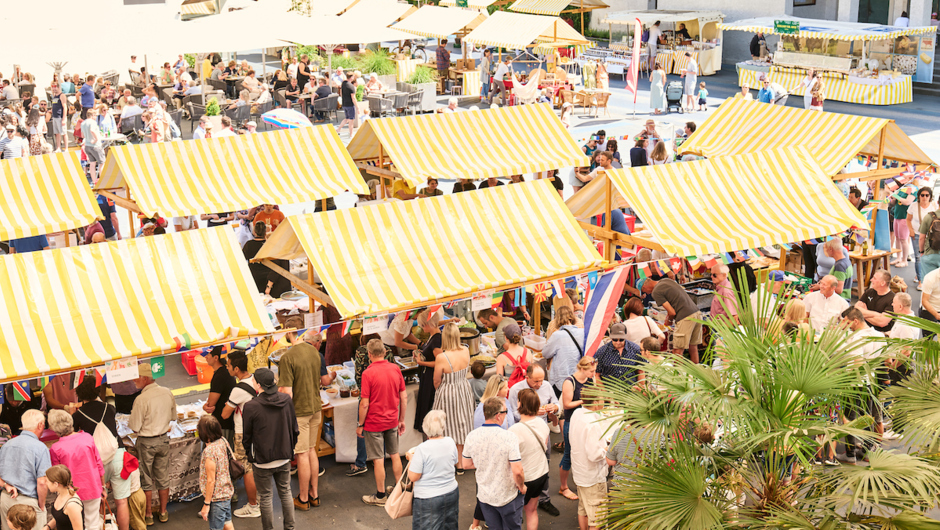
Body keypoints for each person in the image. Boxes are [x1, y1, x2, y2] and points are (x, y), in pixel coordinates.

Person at [277, 331, 335, 511]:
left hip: (299, 411)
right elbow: (323, 380)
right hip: (315, 408)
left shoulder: (288, 357)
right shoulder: (315, 354)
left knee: (301, 454)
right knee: (311, 451)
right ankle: (314, 494)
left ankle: (302, 498)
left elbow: (286, 393)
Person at [71, 378, 132, 530]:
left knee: (98, 500)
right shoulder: (109, 407)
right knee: (122, 501)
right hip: (118, 455)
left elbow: (73, 435)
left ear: (80, 394)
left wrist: (73, 412)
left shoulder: (78, 415)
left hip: (96, 462)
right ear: (97, 391)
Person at [242, 368, 298, 530]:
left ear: (259, 385)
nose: (252, 381)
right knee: (286, 492)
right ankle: (290, 527)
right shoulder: (286, 400)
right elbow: (294, 428)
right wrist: (290, 449)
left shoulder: (251, 406)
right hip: (284, 455)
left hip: (262, 459)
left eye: (253, 380)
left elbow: (247, 436)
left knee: (265, 497)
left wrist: (250, 455)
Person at [462, 397, 526, 530]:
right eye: (505, 412)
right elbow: (518, 470)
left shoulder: (471, 436)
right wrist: (522, 486)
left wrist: (484, 462)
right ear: (498, 416)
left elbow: (466, 464)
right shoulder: (509, 437)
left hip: (485, 496)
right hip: (507, 495)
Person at [358, 339, 407, 506]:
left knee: (378, 459)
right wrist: (401, 419)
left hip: (374, 423)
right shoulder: (395, 368)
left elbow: (364, 403)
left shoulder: (367, 373)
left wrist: (360, 424)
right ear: (385, 352)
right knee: (395, 454)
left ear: (370, 355)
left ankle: (380, 496)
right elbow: (404, 397)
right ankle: (400, 489)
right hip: (392, 420)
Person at [506, 365, 560, 516]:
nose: (539, 384)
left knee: (544, 464)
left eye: (541, 380)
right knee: (522, 466)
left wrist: (554, 408)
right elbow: (513, 413)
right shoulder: (516, 389)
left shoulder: (547, 386)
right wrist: (532, 412)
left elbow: (557, 403)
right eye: (536, 381)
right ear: (527, 377)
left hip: (542, 429)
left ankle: (544, 499)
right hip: (523, 431)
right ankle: (520, 502)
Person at [128, 363, 177, 525]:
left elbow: (134, 426)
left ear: (144, 378)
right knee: (163, 478)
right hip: (163, 439)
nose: (135, 380)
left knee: (146, 479)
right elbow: (173, 416)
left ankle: (148, 514)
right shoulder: (167, 392)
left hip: (146, 442)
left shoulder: (141, 399)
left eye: (137, 377)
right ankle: (163, 512)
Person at [431, 323, 475, 474]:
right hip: (463, 387)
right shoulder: (466, 350)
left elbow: (436, 381)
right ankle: (461, 462)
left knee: (448, 426)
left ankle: (450, 461)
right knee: (462, 424)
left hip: (448, 391)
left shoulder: (441, 357)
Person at [221, 351, 260, 518]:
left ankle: (253, 505)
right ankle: (259, 501)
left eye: (229, 366)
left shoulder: (238, 389)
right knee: (256, 467)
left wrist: (227, 405)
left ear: (236, 368)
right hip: (257, 430)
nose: (227, 368)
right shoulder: (255, 380)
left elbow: (224, 414)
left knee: (246, 469)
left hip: (242, 433)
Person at [406, 410, 459, 530]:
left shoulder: (422, 449)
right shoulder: (450, 442)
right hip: (451, 492)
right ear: (442, 427)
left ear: (425, 429)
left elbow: (414, 477)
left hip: (428, 497)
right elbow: (455, 462)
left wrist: (411, 460)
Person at [0, 409, 49, 530]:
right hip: (29, 504)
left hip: (6, 498)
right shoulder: (40, 448)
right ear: (40, 425)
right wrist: (41, 505)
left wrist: (6, 485)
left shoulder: (7, 445)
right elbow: (42, 482)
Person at [508, 389, 549, 530]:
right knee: (532, 510)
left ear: (520, 404)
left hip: (526, 478)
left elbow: (510, 459)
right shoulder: (542, 424)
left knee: (516, 514)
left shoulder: (514, 430)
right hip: (541, 473)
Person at [568, 395, 609, 530]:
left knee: (583, 509)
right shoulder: (592, 424)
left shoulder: (577, 413)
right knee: (597, 518)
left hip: (580, 472)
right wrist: (607, 449)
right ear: (596, 401)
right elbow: (594, 454)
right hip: (593, 477)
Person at [640, 277, 703, 363]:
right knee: (693, 347)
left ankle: (675, 376)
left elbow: (672, 312)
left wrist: (669, 321)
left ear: (644, 287)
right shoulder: (665, 280)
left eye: (644, 291)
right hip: (697, 313)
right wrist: (669, 316)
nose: (647, 293)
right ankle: (697, 375)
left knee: (678, 351)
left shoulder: (655, 292)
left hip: (685, 317)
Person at [559, 357, 596, 501]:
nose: (594, 373)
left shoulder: (589, 379)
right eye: (591, 371)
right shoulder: (570, 382)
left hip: (585, 419)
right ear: (583, 369)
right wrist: (585, 399)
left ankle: (580, 482)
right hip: (571, 422)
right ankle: (563, 487)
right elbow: (567, 404)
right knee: (569, 453)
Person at [197, 416, 234, 530]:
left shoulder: (209, 451)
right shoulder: (223, 440)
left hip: (217, 498)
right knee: (227, 523)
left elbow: (211, 480)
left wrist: (206, 504)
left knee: (215, 527)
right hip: (226, 491)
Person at [414, 311, 442, 434]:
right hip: (427, 376)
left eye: (423, 325)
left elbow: (440, 362)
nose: (421, 327)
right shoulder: (432, 336)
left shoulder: (436, 340)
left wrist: (422, 363)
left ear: (429, 324)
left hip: (431, 377)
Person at [542, 311, 583, 394]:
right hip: (579, 376)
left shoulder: (557, 335)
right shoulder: (582, 332)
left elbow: (545, 353)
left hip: (562, 378)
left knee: (561, 404)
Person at [203, 346, 236, 446]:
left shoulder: (220, 376)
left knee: (223, 453)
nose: (205, 357)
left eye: (208, 355)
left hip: (223, 423)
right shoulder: (224, 372)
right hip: (228, 421)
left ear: (216, 358)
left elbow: (210, 404)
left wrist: (205, 406)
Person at [908, 187, 935, 287]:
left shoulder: (934, 206)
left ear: (930, 197)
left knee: (930, 257)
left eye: (927, 195)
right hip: (916, 234)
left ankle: (923, 275)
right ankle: (921, 280)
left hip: (931, 235)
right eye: (922, 195)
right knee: (919, 257)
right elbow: (908, 219)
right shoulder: (913, 206)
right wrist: (911, 230)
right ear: (919, 196)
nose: (924, 197)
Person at [43, 466, 82, 530]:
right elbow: (60, 517)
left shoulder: (72, 505)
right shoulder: (60, 494)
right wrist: (48, 527)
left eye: (47, 481)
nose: (46, 483)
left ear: (55, 484)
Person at [81, 108, 104, 183]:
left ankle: (94, 181)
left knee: (92, 164)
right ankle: (102, 181)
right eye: (95, 116)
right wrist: (96, 139)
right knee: (102, 163)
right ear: (93, 115)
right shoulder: (92, 122)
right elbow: (92, 130)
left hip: (87, 145)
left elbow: (82, 135)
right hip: (95, 145)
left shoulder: (83, 123)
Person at [339, 73, 357, 137]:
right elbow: (353, 98)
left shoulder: (343, 83)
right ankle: (351, 134)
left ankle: (338, 129)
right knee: (351, 120)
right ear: (351, 77)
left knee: (347, 118)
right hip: (350, 104)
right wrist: (357, 107)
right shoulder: (351, 86)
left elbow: (341, 93)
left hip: (344, 103)